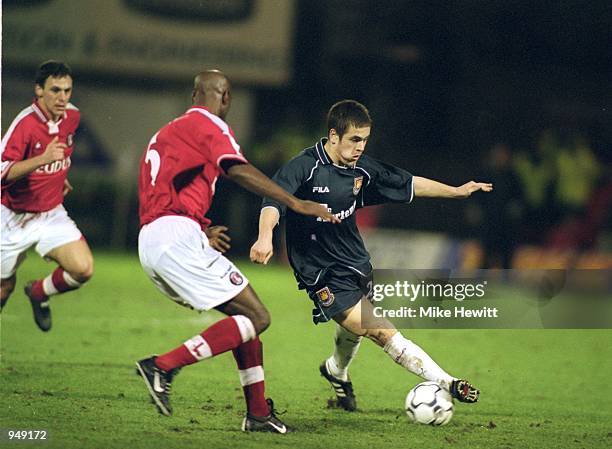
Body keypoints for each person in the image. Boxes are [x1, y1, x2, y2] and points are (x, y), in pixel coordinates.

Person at [250, 100, 492, 412]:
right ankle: (448, 382)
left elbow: (408, 183)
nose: (361, 147)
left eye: (365, 139)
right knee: (376, 328)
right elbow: (273, 199)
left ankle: (335, 371)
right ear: (334, 136)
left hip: (356, 262)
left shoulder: (362, 170)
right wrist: (265, 235)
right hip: (319, 270)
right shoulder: (304, 166)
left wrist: (456, 191)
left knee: (356, 327)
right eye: (354, 139)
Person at [135, 70, 338, 434]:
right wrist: (295, 202)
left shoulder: (166, 131)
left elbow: (165, 189)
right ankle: (163, 365)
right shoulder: (210, 125)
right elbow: (237, 170)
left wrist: (199, 227)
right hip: (175, 238)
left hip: (156, 237)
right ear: (225, 98)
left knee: (246, 316)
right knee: (258, 316)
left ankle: (258, 413)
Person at [1, 60, 94, 332]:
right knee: (4, 288)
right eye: (55, 90)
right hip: (12, 217)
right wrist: (41, 160)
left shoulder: (72, 117)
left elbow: (61, 153)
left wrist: (59, 178)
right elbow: (3, 172)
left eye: (67, 91)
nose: (62, 97)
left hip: (51, 214)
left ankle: (39, 292)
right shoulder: (25, 125)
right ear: (38, 90)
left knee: (82, 269)